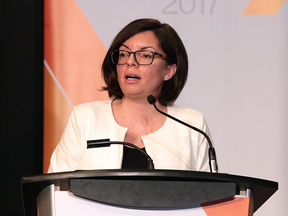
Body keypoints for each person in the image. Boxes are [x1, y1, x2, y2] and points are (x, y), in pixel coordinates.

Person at [48, 18, 215, 173]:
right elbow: (54, 190)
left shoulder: (192, 125)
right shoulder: (85, 117)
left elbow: (211, 198)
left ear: (168, 71)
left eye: (145, 55)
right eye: (123, 54)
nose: (130, 62)